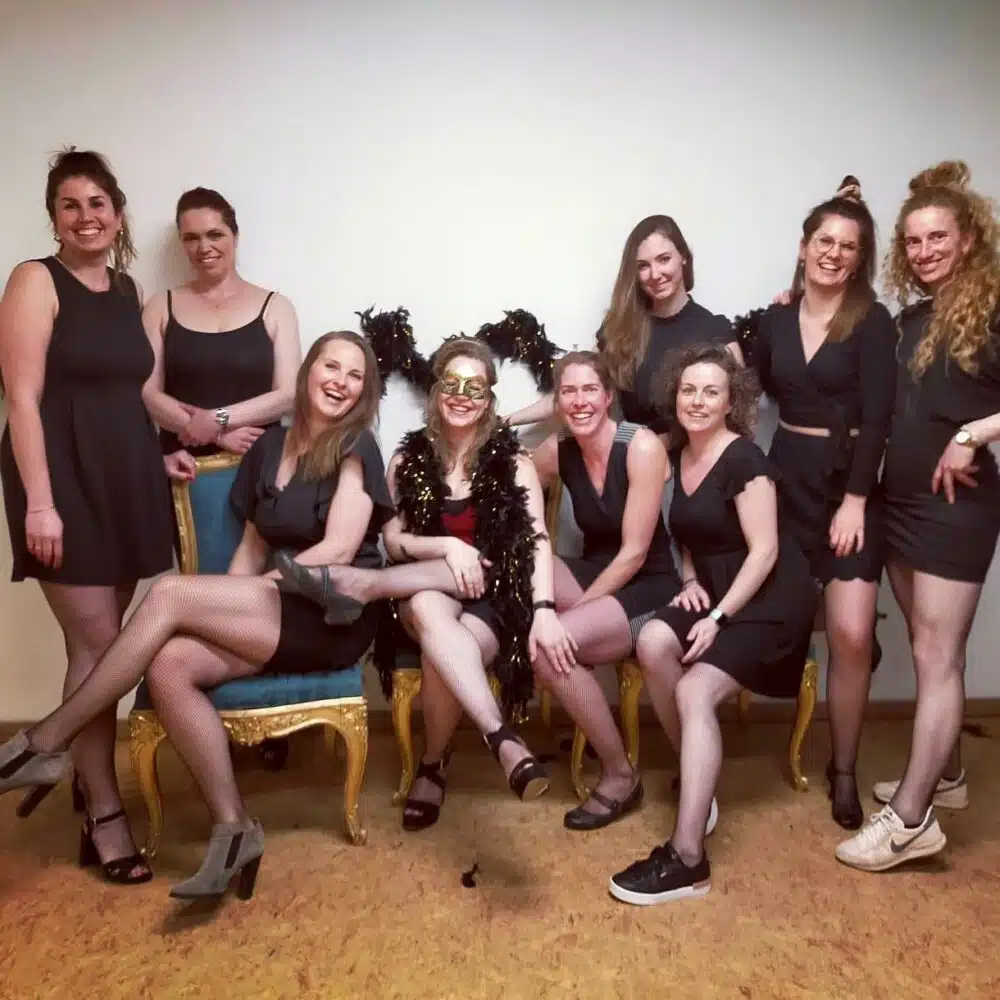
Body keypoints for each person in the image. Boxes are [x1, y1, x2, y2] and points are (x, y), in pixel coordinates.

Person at [0, 331, 394, 899]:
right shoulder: (270, 446)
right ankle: (234, 830)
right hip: (276, 607)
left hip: (330, 613)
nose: (340, 382)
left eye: (355, 376)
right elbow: (251, 548)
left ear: (365, 391)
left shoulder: (357, 445)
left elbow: (337, 549)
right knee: (169, 665)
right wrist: (226, 604)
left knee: (169, 594)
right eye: (331, 367)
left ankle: (49, 740)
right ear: (308, 371)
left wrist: (242, 594)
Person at [275, 338, 570, 829]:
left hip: (491, 601)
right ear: (435, 392)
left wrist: (543, 609)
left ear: (488, 400)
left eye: (475, 388)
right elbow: (393, 541)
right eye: (451, 384)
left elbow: (536, 538)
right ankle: (500, 738)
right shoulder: (406, 459)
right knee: (430, 606)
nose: (461, 396)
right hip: (420, 590)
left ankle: (433, 764)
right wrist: (448, 547)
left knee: (441, 642)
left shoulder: (515, 462)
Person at [0, 149, 179, 886]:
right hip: (59, 478)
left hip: (125, 475)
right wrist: (41, 503)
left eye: (97, 203)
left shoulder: (127, 288)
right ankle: (103, 812)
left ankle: (72, 766)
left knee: (101, 650)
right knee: (102, 647)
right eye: (70, 205)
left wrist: (162, 455)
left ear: (118, 214)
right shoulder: (34, 280)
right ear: (54, 218)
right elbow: (22, 399)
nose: (85, 217)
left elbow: (126, 392)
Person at [608, 344, 817, 904]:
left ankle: (688, 858)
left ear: (731, 402)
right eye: (688, 391)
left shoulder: (745, 459)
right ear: (675, 397)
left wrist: (719, 618)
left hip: (769, 598)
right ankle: (698, 782)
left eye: (711, 392)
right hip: (717, 587)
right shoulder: (678, 455)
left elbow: (765, 551)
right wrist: (690, 576)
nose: (697, 401)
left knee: (695, 690)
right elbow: (691, 532)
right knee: (653, 640)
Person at [836, 161, 1000, 872]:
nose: (925, 251)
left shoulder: (992, 307)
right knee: (927, 646)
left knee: (938, 658)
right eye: (913, 241)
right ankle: (949, 776)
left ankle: (910, 820)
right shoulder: (912, 318)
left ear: (968, 238)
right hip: (898, 504)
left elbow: (967, 418)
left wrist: (975, 434)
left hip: (953, 509)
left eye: (938, 237)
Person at [749, 178, 896, 829]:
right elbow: (749, 388)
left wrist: (857, 501)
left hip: (848, 487)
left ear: (860, 259)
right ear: (804, 246)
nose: (833, 253)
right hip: (786, 482)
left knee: (852, 634)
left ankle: (843, 770)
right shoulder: (777, 318)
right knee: (764, 611)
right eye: (824, 241)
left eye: (848, 246)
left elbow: (881, 417)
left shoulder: (873, 322)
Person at [530, 351, 680, 829]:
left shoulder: (641, 446)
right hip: (596, 570)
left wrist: (572, 614)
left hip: (648, 583)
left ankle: (620, 775)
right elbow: (515, 487)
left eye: (590, 390)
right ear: (558, 402)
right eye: (569, 392)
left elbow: (634, 553)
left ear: (609, 396)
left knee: (547, 648)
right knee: (530, 565)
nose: (580, 401)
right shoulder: (557, 449)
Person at [507, 215, 741, 437]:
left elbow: (737, 420)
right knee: (552, 447)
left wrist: (661, 445)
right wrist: (506, 420)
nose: (655, 274)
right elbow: (578, 389)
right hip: (633, 454)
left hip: (689, 459)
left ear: (684, 257)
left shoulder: (714, 331)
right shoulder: (622, 327)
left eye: (664, 259)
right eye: (643, 266)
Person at [142, 187, 301, 466]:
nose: (204, 247)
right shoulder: (159, 306)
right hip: (181, 467)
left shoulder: (277, 307)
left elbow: (288, 395)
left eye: (215, 234)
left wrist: (218, 419)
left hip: (259, 464)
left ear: (235, 237)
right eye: (191, 238)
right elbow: (147, 393)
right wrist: (216, 435)